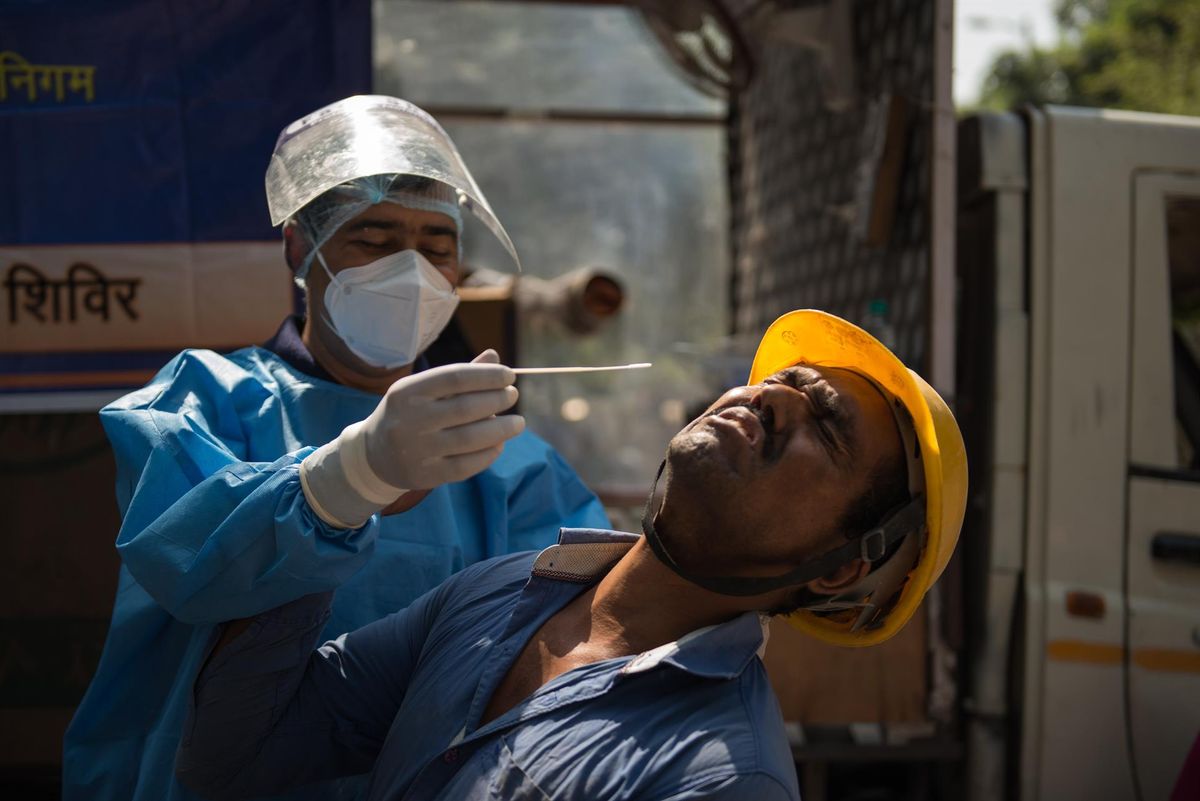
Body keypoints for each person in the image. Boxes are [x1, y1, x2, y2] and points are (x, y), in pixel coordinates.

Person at [176, 309, 968, 801]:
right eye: (783, 378)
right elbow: (235, 756)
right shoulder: (499, 594)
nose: (773, 396)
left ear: (837, 569)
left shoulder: (719, 778)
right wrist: (344, 489)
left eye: (825, 427)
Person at [63, 96, 609, 801]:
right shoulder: (203, 399)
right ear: (301, 248)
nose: (410, 270)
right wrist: (351, 476)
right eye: (374, 240)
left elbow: (578, 626)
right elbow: (187, 561)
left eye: (437, 247)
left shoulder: (506, 459)